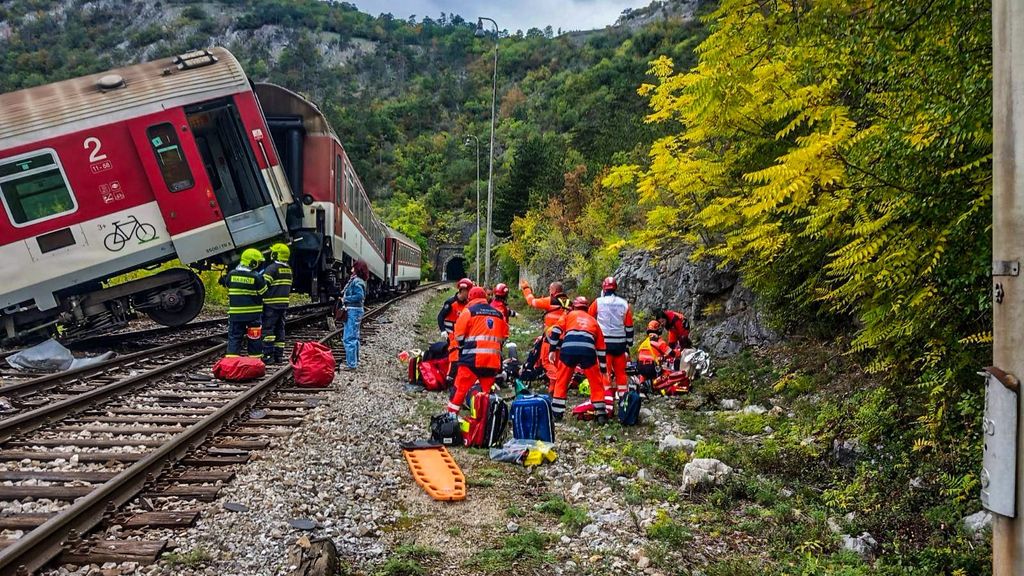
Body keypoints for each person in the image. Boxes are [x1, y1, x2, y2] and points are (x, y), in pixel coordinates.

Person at [446, 286, 509, 414]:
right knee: (485, 395)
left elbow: (458, 336)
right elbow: (504, 335)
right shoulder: (498, 313)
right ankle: (484, 422)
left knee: (460, 390)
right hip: (492, 362)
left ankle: (451, 417)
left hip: (472, 360)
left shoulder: (468, 311)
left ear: (470, 298)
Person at [547, 296, 609, 424]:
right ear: (587, 308)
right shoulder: (593, 321)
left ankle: (557, 414)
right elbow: (601, 348)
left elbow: (556, 330)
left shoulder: (569, 315)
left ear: (574, 306)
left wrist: (552, 350)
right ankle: (601, 414)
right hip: (588, 350)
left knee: (562, 380)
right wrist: (603, 368)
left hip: (568, 349)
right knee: (595, 382)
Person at [519, 279, 571, 388]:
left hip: (551, 337)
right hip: (564, 338)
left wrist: (526, 289)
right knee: (557, 364)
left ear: (553, 291)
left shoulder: (551, 300)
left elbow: (531, 302)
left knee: (547, 363)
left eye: (549, 289)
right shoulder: (569, 303)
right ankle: (554, 391)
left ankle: (560, 382)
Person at [588, 276, 633, 400]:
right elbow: (629, 326)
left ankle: (607, 399)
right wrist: (629, 344)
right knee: (621, 372)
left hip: (604, 343)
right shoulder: (624, 304)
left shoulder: (598, 302)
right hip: (620, 343)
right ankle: (623, 398)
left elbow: (589, 319)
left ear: (604, 288)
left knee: (605, 371)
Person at [222, 248, 268, 357]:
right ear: (252, 262)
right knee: (254, 339)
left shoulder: (231, 274)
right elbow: (264, 293)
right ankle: (255, 361)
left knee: (234, 338)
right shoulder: (256, 277)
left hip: (236, 315)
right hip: (253, 316)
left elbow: (228, 285)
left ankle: (231, 362)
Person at [260, 243, 293, 365]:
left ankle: (268, 355)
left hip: (270, 305)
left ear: (276, 254)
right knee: (280, 329)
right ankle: (279, 355)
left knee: (267, 330)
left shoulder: (272, 269)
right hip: (283, 304)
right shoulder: (288, 269)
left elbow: (263, 285)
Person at [438, 278, 474, 384]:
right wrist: (443, 331)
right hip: (451, 334)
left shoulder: (468, 304)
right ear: (462, 290)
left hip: (462, 334)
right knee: (454, 354)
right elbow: (440, 316)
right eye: (468, 291)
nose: (469, 293)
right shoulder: (450, 303)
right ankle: (450, 378)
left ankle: (462, 375)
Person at [341, 260, 369, 370]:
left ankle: (351, 364)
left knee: (349, 338)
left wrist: (345, 299)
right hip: (356, 310)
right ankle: (355, 361)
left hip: (353, 310)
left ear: (357, 268)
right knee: (355, 337)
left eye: (354, 267)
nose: (351, 268)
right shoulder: (359, 280)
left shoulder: (356, 281)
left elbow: (359, 296)